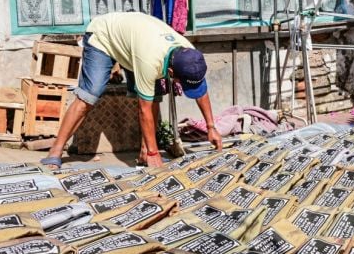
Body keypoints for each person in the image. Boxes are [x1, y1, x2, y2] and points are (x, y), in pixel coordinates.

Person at [41, 12, 222, 169]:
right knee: (89, 95)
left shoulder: (190, 55)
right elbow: (144, 109)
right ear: (171, 72)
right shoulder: (150, 61)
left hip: (134, 39)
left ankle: (145, 151)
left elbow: (200, 89)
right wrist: (154, 153)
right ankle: (55, 150)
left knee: (156, 95)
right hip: (103, 36)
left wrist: (211, 127)